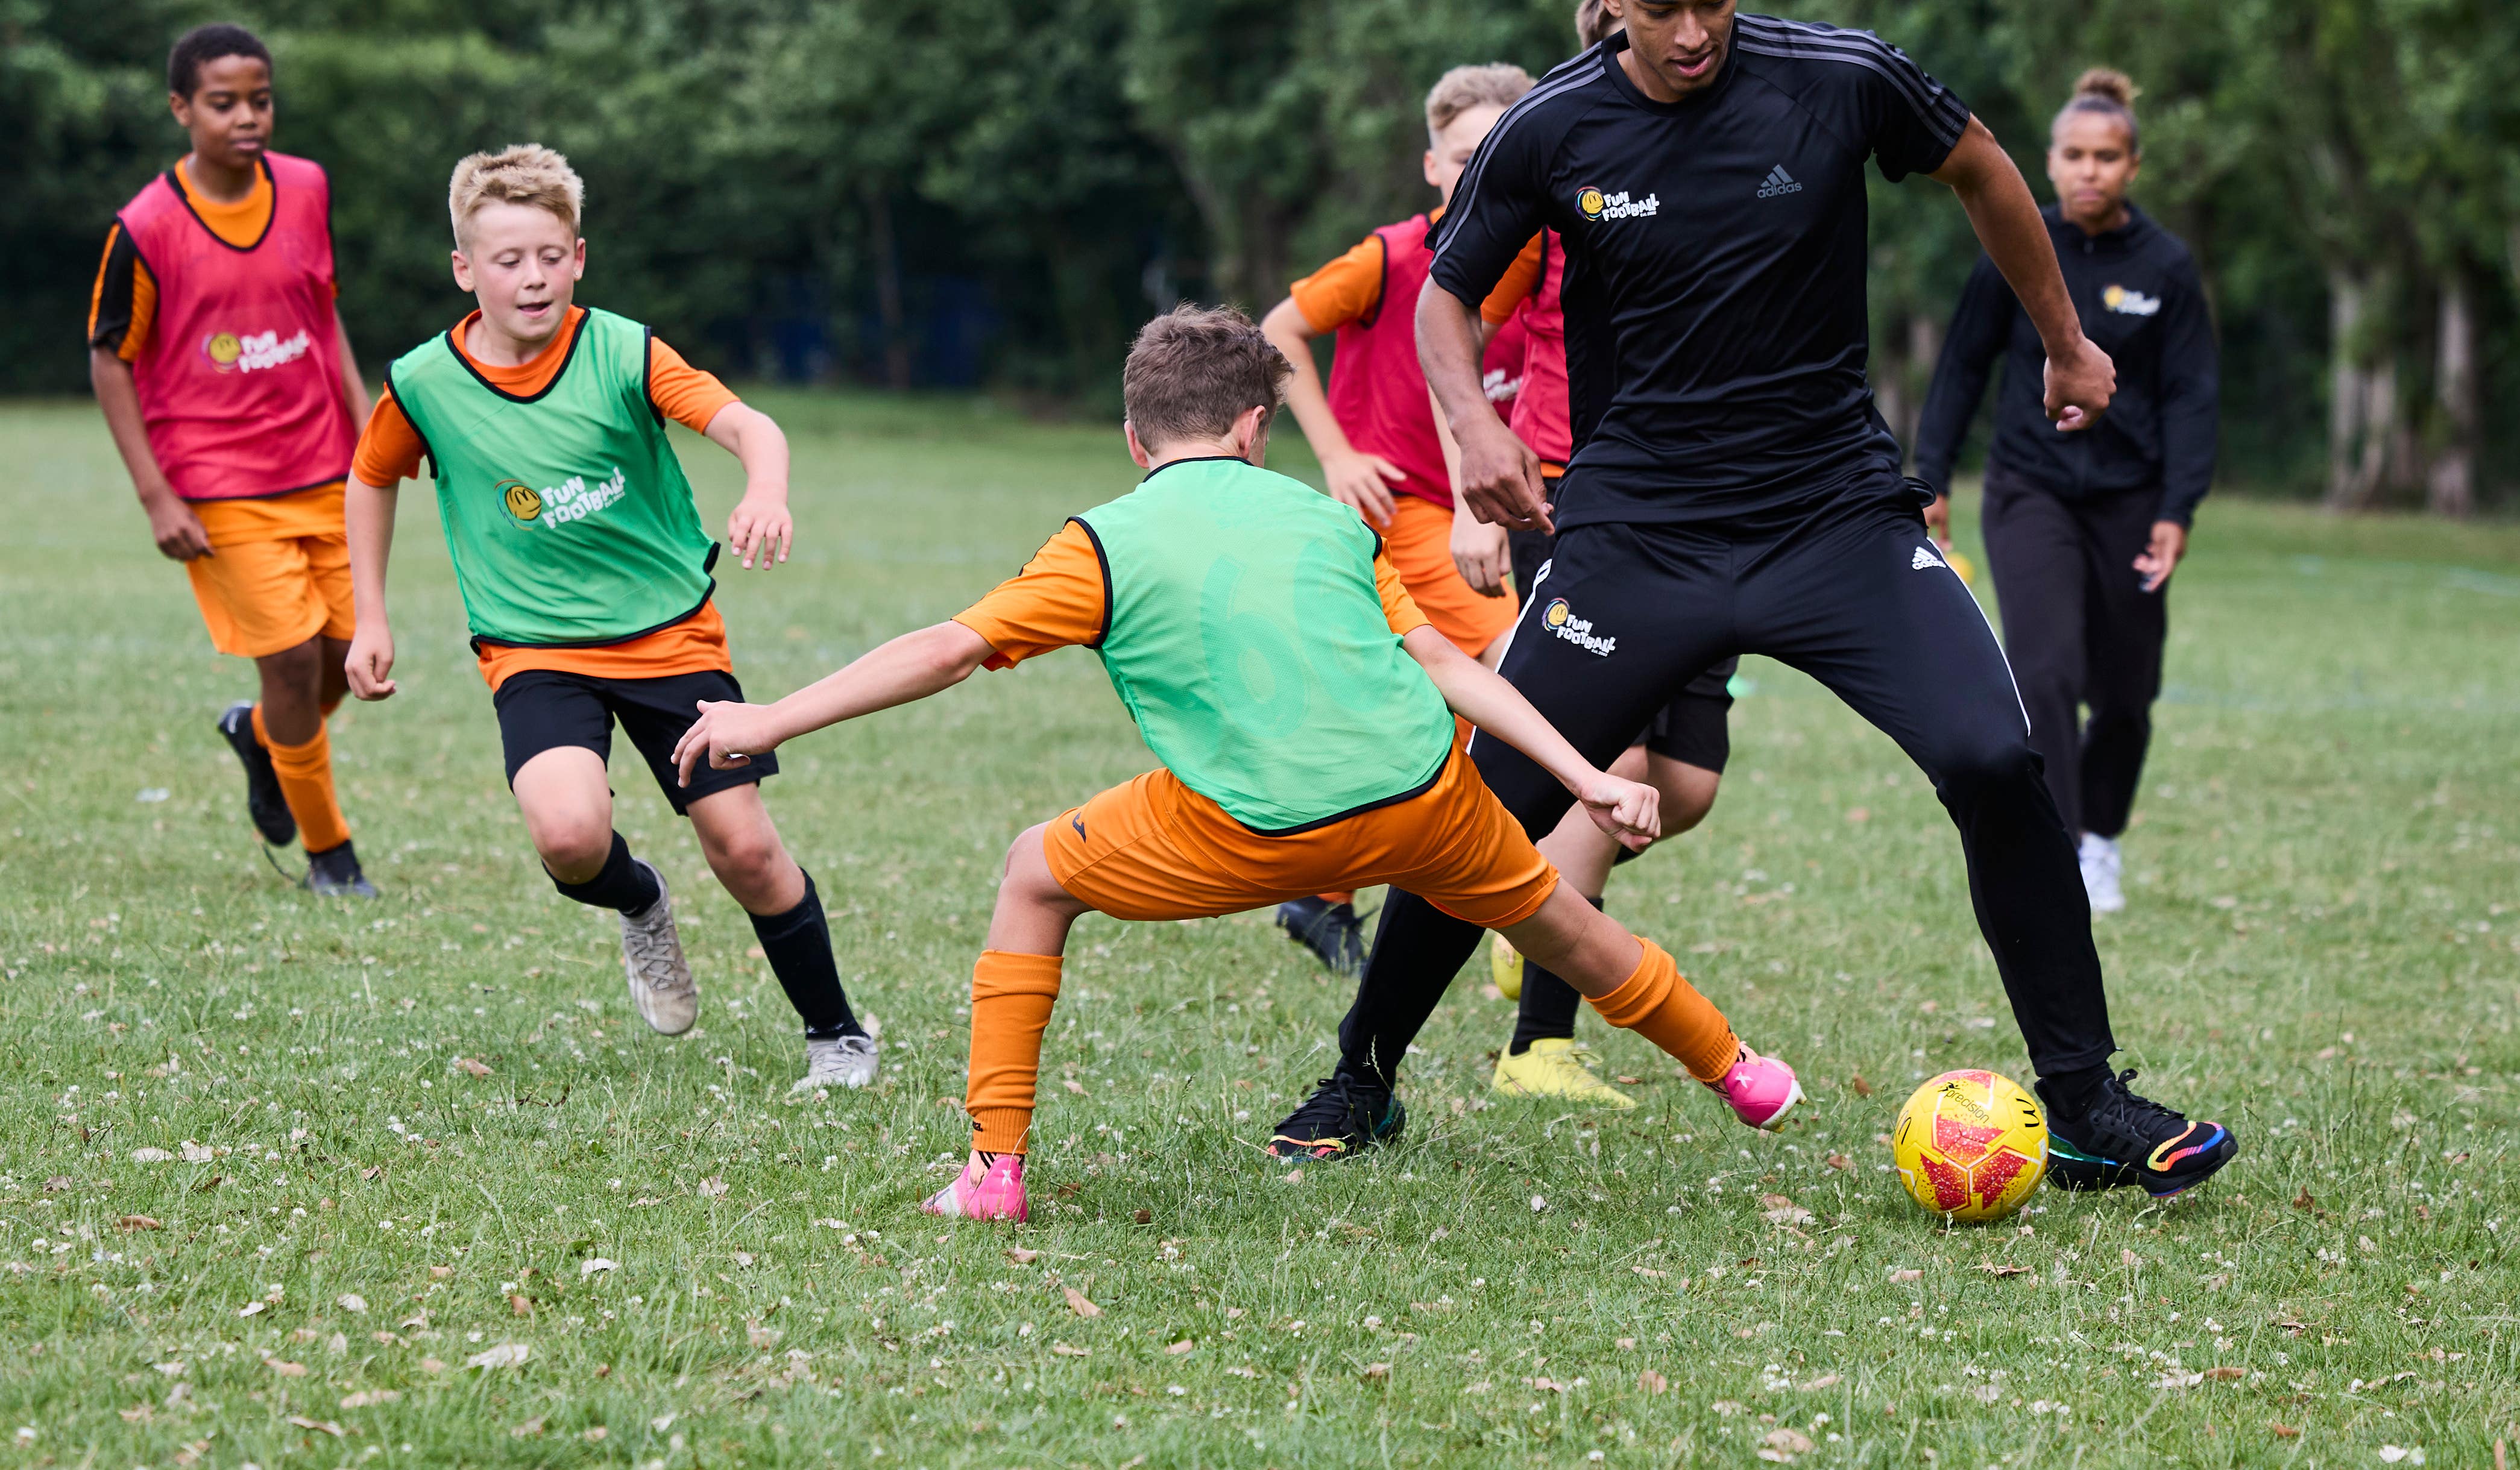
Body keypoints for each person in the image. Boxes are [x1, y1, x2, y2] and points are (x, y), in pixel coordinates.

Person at [1269, 0, 2237, 1201]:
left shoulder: (1841, 79)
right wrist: (1471, 430)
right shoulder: (1550, 128)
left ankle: (2082, 1101)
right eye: (1657, 6)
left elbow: (1982, 169)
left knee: (1996, 757)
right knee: (1486, 802)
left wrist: (2066, 343)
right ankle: (1361, 1073)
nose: (1688, 33)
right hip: (1637, 533)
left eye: (1712, 0)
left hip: (1831, 516)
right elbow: (1443, 296)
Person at [670, 306, 1803, 1220]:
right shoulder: (1332, 522)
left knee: (1031, 872)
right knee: (1567, 923)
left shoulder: (1099, 541)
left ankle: (992, 1173)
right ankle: (1743, 1074)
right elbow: (1449, 669)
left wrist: (773, 717)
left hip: (1245, 831)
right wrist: (1588, 774)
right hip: (1426, 804)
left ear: (1133, 440)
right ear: (1259, 428)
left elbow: (946, 650)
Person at [342, 144, 876, 1093]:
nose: (532, 277)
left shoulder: (624, 351)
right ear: (466, 270)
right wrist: (369, 616)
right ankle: (642, 904)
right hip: (533, 649)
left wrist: (767, 487)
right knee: (568, 836)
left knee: (745, 847)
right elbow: (370, 475)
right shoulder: (424, 383)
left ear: (578, 256)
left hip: (669, 635)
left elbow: (750, 425)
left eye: (550, 254)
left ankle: (837, 1035)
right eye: (507, 261)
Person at [1436, 0, 1737, 1110]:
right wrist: (1474, 487)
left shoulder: (1717, 183)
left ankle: (1540, 896)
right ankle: (1538, 1040)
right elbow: (1452, 323)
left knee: (1688, 786)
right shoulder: (1556, 197)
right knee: (1601, 770)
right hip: (1569, 497)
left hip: (1703, 508)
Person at [1913, 68, 2217, 916]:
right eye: (2074, 156)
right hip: (2029, 489)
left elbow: (2193, 395)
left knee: (2123, 693)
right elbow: (1962, 368)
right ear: (2047, 163)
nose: (2090, 171)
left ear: (2132, 165)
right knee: (2043, 671)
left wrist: (2175, 509)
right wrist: (1929, 477)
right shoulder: (2015, 244)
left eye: (2107, 157)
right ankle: (2065, 852)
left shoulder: (2165, 266)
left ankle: (2103, 839)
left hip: (2129, 499)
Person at [1255, 65, 1536, 975]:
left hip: (1493, 505)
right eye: (1463, 156)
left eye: (1496, 152)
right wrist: (1336, 453)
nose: (1478, 170)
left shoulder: (1537, 260)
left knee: (1415, 713)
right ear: (1430, 164)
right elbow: (1274, 334)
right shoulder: (1390, 256)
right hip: (1410, 512)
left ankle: (1325, 888)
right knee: (1511, 668)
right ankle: (1504, 892)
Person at [88, 24, 376, 896]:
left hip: (326, 465)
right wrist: (155, 499)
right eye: (224, 103)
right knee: (289, 662)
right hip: (218, 481)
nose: (247, 118)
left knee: (339, 662)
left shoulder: (307, 188)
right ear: (182, 109)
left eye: (260, 99)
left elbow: (323, 312)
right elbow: (108, 357)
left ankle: (261, 737)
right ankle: (331, 858)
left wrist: (371, 431)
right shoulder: (144, 226)